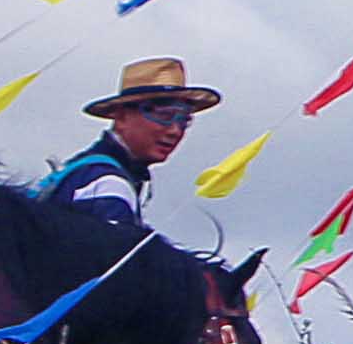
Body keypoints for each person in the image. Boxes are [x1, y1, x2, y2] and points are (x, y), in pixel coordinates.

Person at [44, 58, 221, 222]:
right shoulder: (107, 184)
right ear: (121, 117)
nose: (175, 131)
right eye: (165, 115)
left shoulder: (82, 170)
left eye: (184, 120)